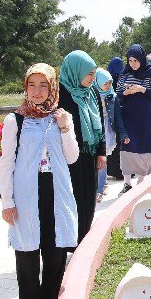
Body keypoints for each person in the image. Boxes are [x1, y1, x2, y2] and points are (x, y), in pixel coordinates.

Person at [0, 63, 78, 299]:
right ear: (25, 87)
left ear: (52, 88)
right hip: (26, 193)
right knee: (27, 257)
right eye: (32, 85)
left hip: (55, 190)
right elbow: (7, 162)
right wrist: (7, 201)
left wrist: (65, 128)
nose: (37, 91)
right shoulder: (16, 120)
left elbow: (72, 157)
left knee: (55, 255)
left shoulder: (61, 116)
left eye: (43, 85)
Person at [57, 50, 105, 244]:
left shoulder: (92, 91)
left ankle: (85, 238)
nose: (93, 79)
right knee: (73, 197)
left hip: (90, 153)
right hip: (69, 156)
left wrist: (101, 152)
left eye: (94, 74)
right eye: (89, 74)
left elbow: (99, 121)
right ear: (76, 72)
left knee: (89, 196)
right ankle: (72, 240)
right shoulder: (61, 93)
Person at [115, 44, 151, 193]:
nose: (133, 64)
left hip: (145, 117)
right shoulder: (124, 74)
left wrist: (142, 89)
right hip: (128, 116)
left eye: (135, 61)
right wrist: (126, 93)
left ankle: (141, 181)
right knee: (128, 146)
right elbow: (118, 94)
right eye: (130, 61)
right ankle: (127, 183)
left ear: (141, 59)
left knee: (145, 145)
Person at [94, 68, 116, 201]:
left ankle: (100, 188)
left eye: (109, 83)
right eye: (105, 83)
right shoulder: (91, 94)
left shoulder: (112, 95)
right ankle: (102, 184)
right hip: (96, 129)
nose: (108, 86)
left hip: (107, 129)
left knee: (103, 158)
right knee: (99, 158)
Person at [104, 58, 125, 180]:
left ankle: (113, 170)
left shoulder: (107, 79)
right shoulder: (121, 78)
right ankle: (120, 170)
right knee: (117, 145)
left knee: (113, 146)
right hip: (118, 115)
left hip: (112, 116)